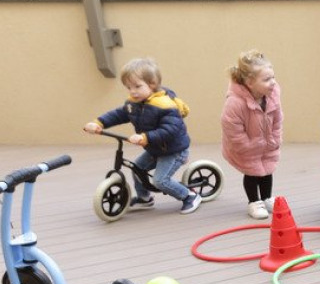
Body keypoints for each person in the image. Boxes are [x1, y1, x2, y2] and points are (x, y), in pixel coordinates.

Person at [82, 56, 201, 214]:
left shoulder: (165, 106)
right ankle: (144, 198)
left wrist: (145, 137)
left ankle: (189, 195)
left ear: (152, 85)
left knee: (160, 180)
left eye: (137, 86)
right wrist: (99, 123)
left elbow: (170, 130)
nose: (133, 91)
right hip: (155, 149)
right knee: (137, 168)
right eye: (129, 87)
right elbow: (118, 114)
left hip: (174, 150)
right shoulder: (134, 103)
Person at [221, 49, 283, 220]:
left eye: (273, 77)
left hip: (267, 142)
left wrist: (275, 138)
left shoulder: (272, 95)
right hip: (246, 146)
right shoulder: (235, 103)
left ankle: (266, 197)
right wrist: (246, 146)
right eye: (267, 79)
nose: (272, 82)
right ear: (249, 82)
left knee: (267, 169)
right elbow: (231, 128)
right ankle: (254, 202)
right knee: (252, 172)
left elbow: (277, 118)